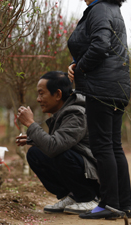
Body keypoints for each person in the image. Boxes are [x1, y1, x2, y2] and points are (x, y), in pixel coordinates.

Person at [67, 0, 131, 220]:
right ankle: (122, 205)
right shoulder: (112, 10)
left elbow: (100, 46)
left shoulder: (100, 10)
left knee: (103, 147)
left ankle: (108, 203)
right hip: (116, 87)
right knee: (114, 147)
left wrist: (79, 69)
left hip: (101, 88)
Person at [16, 71, 100, 215]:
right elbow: (61, 141)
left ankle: (90, 198)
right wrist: (33, 139)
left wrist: (31, 124)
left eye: (42, 93)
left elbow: (55, 146)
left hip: (92, 174)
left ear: (58, 95)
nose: (38, 99)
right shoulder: (65, 111)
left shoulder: (77, 114)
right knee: (35, 153)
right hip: (81, 166)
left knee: (60, 153)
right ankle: (73, 195)